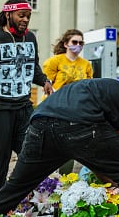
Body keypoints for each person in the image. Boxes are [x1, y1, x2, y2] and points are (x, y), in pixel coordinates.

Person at [0, 78, 119, 216]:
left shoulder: (113, 97)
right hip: (79, 124)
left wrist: (111, 184)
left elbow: (97, 158)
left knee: (15, 189)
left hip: (40, 124)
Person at [0, 0, 54, 194]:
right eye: (21, 16)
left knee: (33, 153)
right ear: (8, 14)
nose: (26, 20)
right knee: (0, 159)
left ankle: (28, 195)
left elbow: (33, 66)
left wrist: (44, 80)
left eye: (28, 16)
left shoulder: (30, 38)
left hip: (24, 107)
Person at [42, 29, 94, 174]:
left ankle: (67, 177)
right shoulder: (54, 62)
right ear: (66, 44)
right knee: (53, 143)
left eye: (81, 42)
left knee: (71, 142)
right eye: (74, 42)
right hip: (55, 107)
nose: (78, 45)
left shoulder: (86, 65)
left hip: (77, 109)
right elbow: (47, 85)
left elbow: (88, 87)